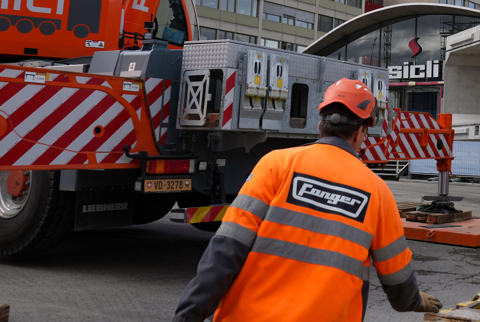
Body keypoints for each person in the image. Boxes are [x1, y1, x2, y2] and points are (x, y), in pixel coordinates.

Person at [172, 79, 443, 322]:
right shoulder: (377, 191)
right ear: (362, 131)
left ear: (320, 124)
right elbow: (396, 276)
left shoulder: (276, 164)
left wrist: (188, 315)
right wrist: (413, 300)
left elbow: (226, 250)